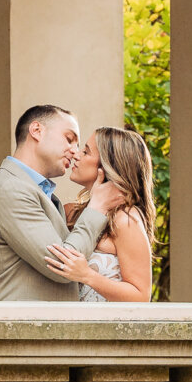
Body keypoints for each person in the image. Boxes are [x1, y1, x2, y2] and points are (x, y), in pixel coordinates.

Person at [0, 105, 126, 300]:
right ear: (36, 131)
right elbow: (61, 265)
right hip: (17, 327)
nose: (75, 152)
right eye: (69, 139)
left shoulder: (40, 193)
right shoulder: (11, 189)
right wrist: (97, 207)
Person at [45, 126, 158, 302]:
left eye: (86, 152)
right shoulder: (69, 212)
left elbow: (141, 296)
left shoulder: (125, 219)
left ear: (107, 166)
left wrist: (87, 275)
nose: (76, 155)